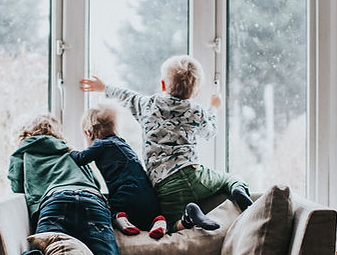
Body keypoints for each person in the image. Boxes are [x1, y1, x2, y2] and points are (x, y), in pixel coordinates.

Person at [6, 114, 163, 255]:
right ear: (56, 132)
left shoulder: (23, 152)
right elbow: (96, 182)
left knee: (44, 254)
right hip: (93, 201)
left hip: (54, 201)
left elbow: (17, 187)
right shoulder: (69, 151)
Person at [80, 55, 253, 233]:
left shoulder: (148, 105)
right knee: (230, 179)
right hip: (193, 173)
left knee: (169, 227)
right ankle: (238, 191)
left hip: (164, 184)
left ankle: (188, 216)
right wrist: (214, 108)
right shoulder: (195, 111)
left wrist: (104, 88)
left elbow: (127, 97)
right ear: (196, 93)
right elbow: (210, 131)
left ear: (163, 85)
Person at [70, 104, 167, 239]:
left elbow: (80, 159)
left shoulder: (100, 144)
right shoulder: (122, 143)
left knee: (113, 208)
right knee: (151, 215)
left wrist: (69, 150)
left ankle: (120, 219)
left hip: (125, 192)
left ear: (89, 132)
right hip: (147, 195)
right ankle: (158, 221)